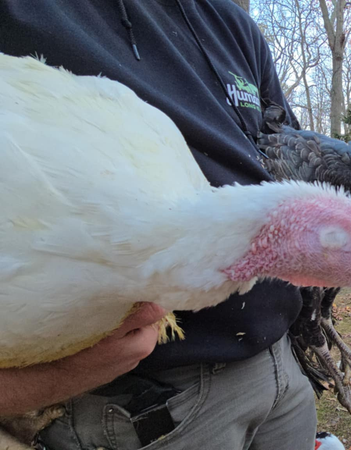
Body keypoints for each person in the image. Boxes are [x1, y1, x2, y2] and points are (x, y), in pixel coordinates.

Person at [0, 1, 316, 449]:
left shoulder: (230, 23)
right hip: (143, 407)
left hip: (279, 369)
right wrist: (50, 378)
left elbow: (285, 160)